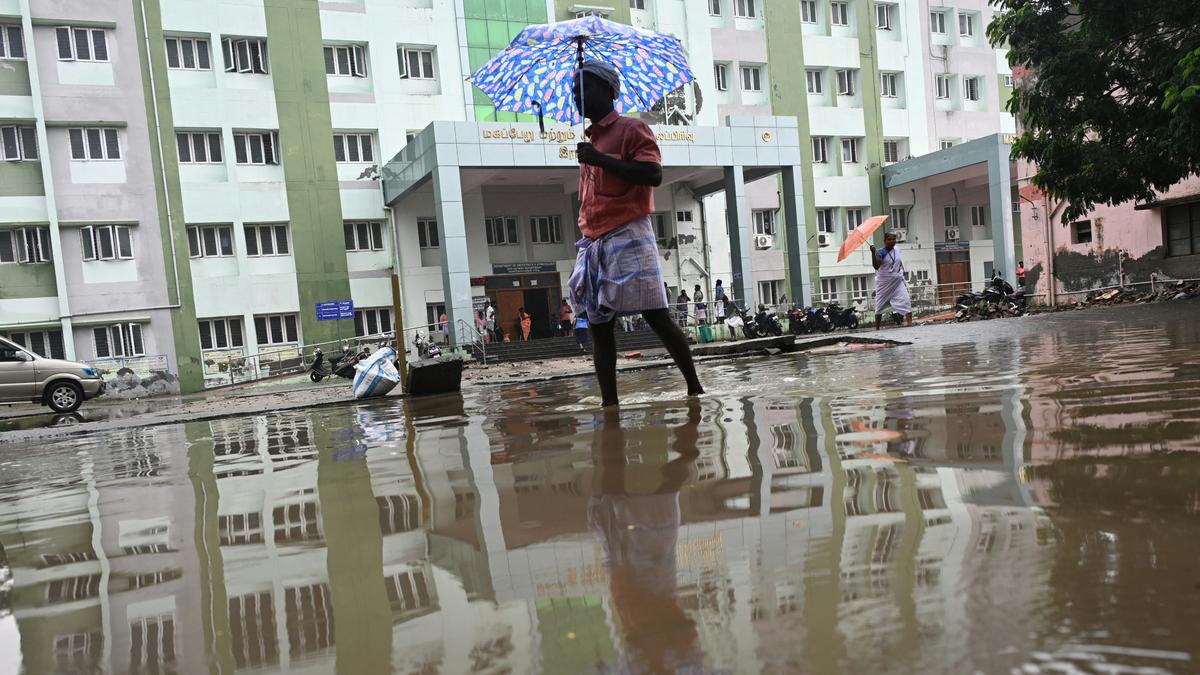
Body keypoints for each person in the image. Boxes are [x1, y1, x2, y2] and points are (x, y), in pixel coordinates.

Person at [567, 60, 704, 407]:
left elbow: (653, 175)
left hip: (629, 230)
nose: (578, 96)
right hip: (594, 240)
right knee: (599, 324)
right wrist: (594, 159)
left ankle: (694, 388)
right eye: (574, 90)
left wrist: (601, 160)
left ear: (610, 91)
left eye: (585, 88)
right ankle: (609, 404)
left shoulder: (632, 129)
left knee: (655, 313)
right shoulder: (589, 143)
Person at [871, 231, 912, 330]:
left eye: (894, 239)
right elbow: (876, 266)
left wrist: (902, 270)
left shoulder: (897, 249)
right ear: (884, 241)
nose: (892, 241)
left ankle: (910, 324)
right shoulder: (881, 252)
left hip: (897, 282)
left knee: (906, 301)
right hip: (884, 283)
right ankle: (877, 328)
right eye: (889, 239)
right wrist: (873, 253)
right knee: (879, 306)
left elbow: (898, 261)